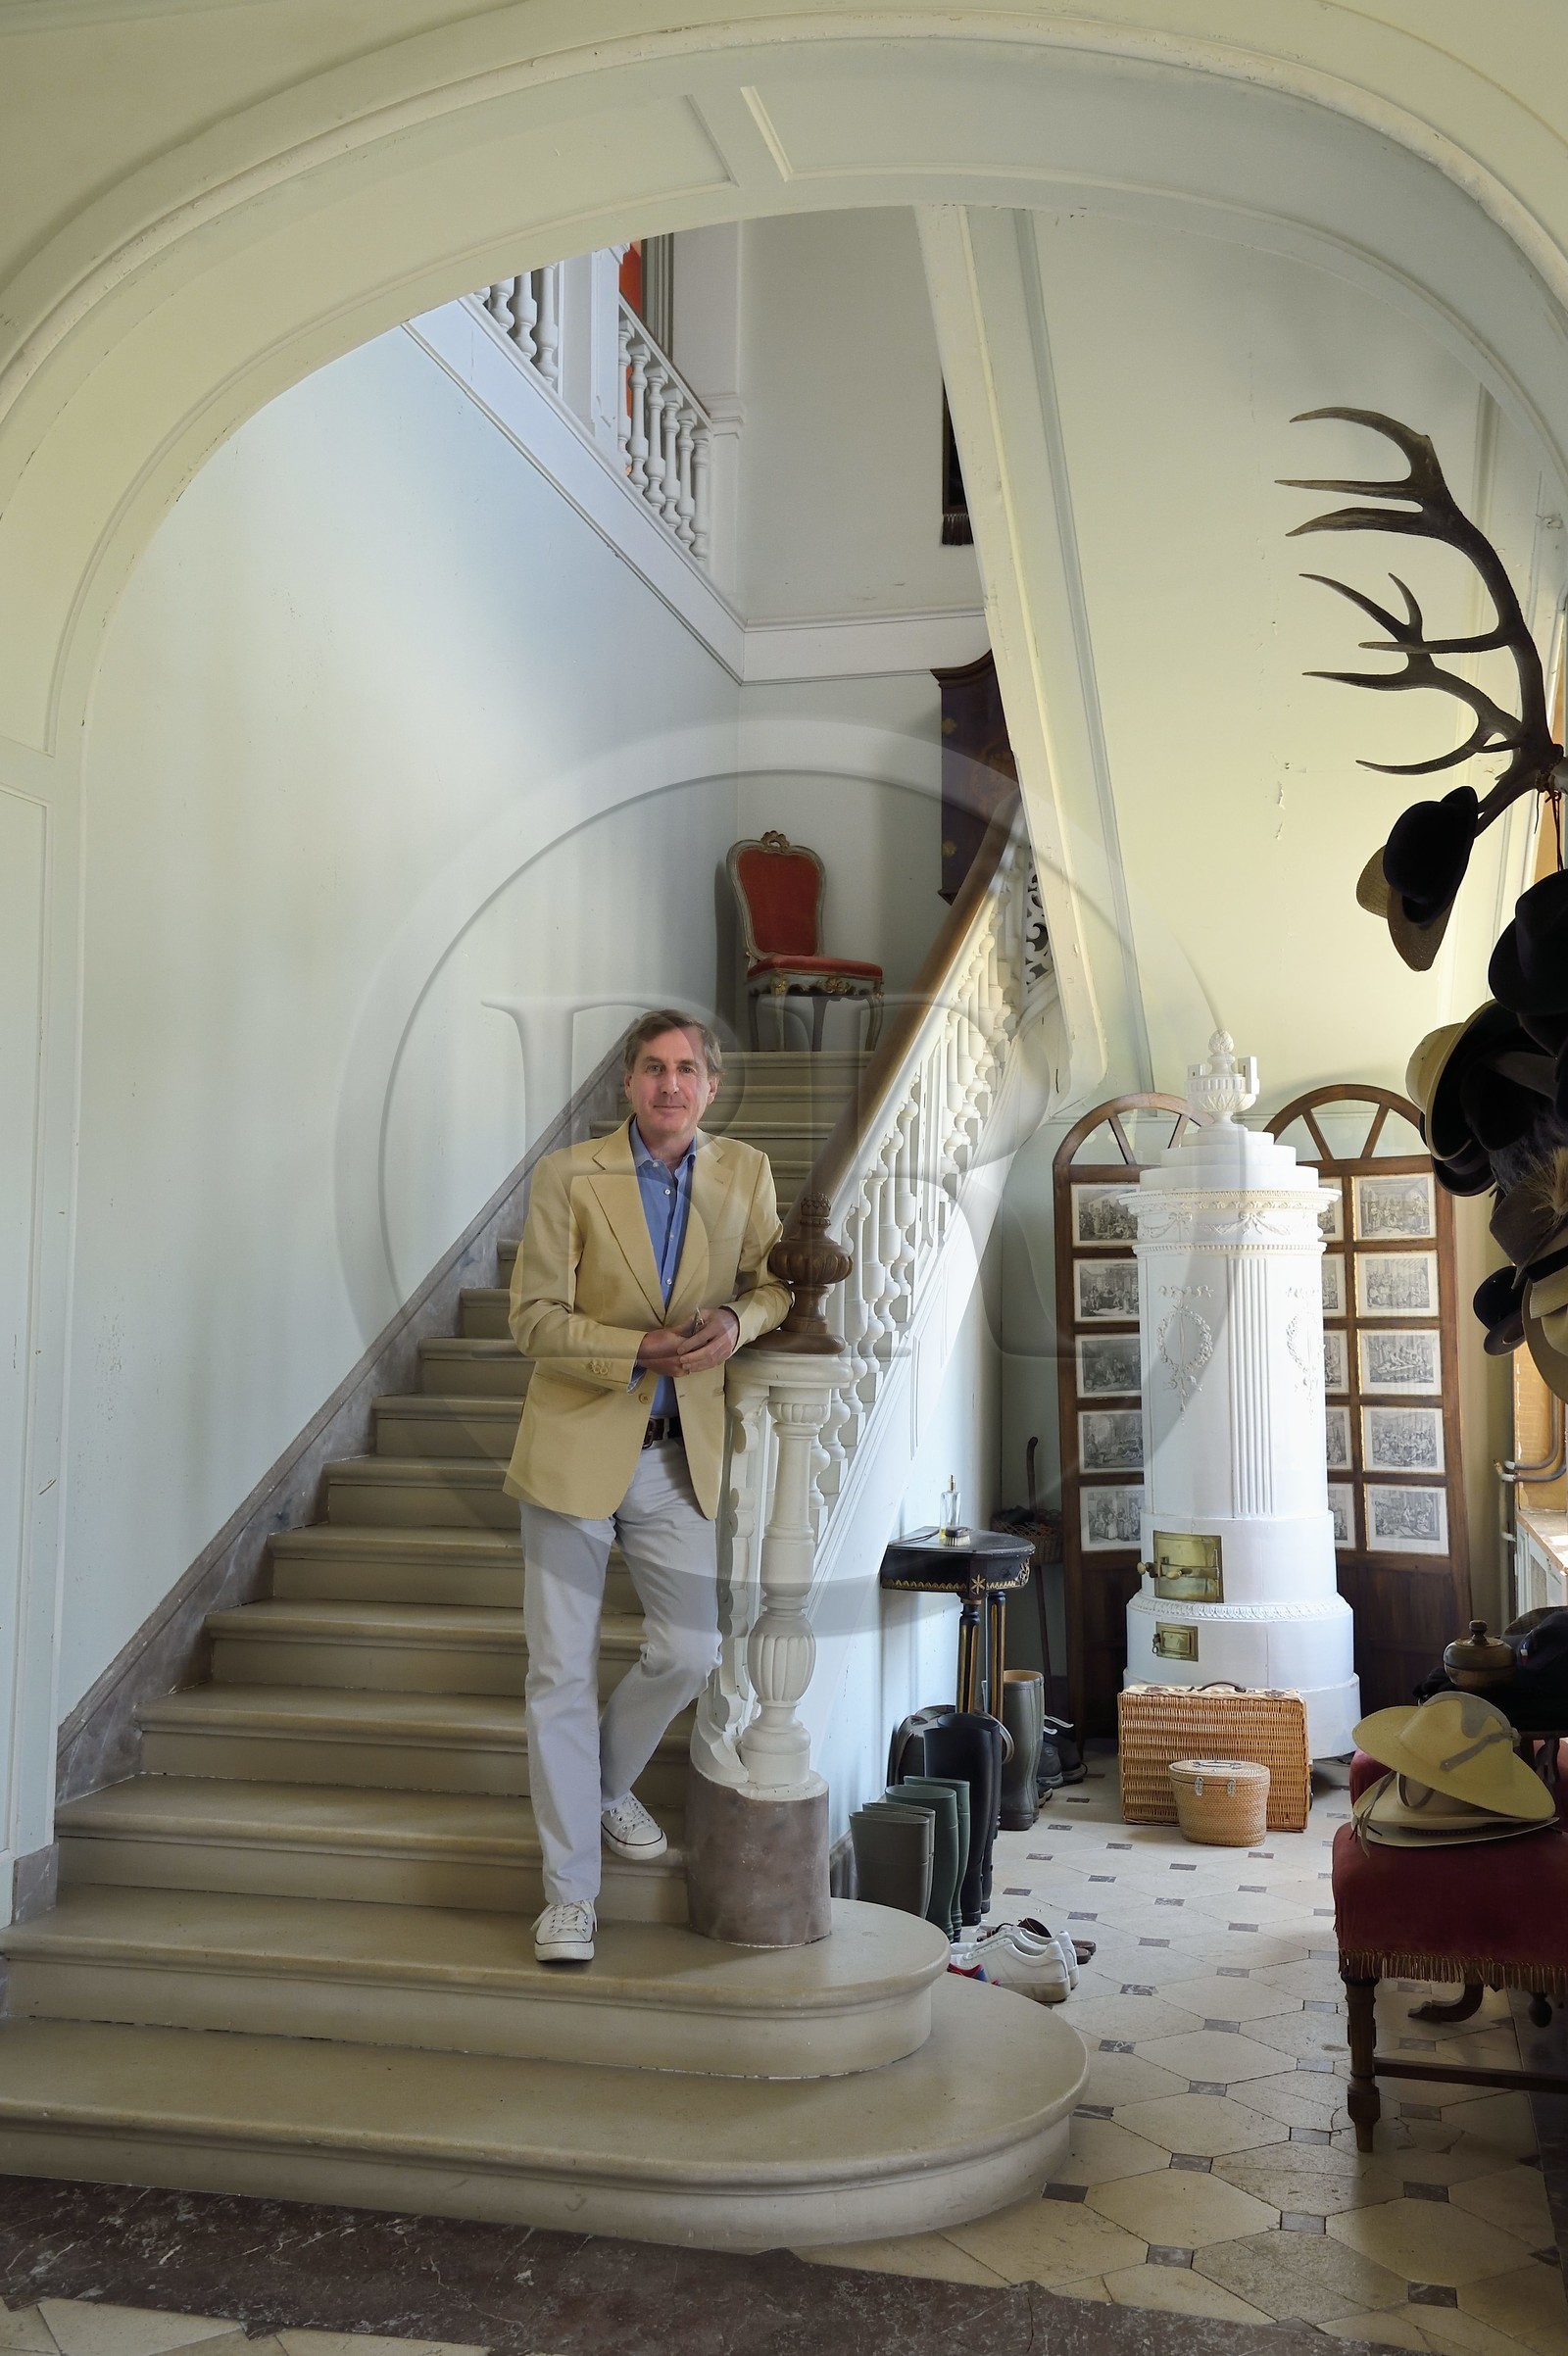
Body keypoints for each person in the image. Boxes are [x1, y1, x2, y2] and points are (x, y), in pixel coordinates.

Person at [504, 1009, 791, 1963]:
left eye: (687, 1070)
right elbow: (535, 1318)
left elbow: (776, 1283)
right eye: (652, 1069)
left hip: (678, 1452)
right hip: (574, 1441)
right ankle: (569, 1896)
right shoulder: (566, 1176)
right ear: (627, 1084)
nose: (670, 1084)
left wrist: (737, 1325)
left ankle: (602, 1781)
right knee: (557, 1672)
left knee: (691, 1648)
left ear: (711, 1087)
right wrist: (636, 1348)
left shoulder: (744, 1173)